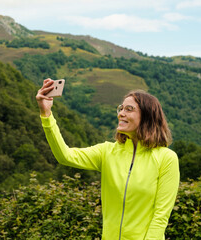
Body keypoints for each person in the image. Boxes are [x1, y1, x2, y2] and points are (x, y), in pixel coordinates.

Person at [36, 78, 180, 240]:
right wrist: (46, 114)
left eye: (129, 109)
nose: (121, 113)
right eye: (121, 108)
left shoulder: (166, 158)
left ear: (147, 117)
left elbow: (160, 217)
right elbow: (65, 156)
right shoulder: (107, 152)